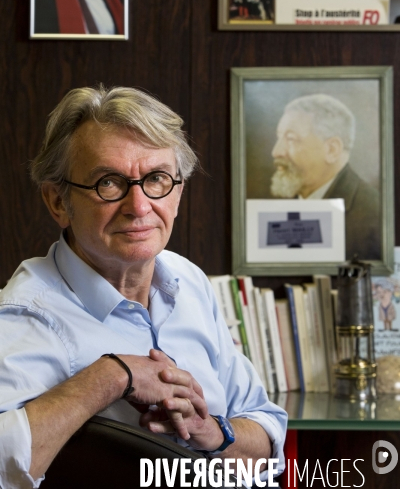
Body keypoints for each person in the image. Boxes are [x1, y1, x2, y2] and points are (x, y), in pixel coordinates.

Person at [0, 86, 287, 488]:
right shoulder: (26, 313)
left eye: (156, 179)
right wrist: (111, 377)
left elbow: (266, 430)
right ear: (58, 202)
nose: (139, 207)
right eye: (109, 183)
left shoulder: (187, 280)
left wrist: (212, 432)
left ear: (178, 191)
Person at [270, 93, 381, 260]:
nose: (276, 152)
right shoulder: (277, 206)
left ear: (332, 150)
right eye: (279, 138)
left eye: (291, 139)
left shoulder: (375, 214)